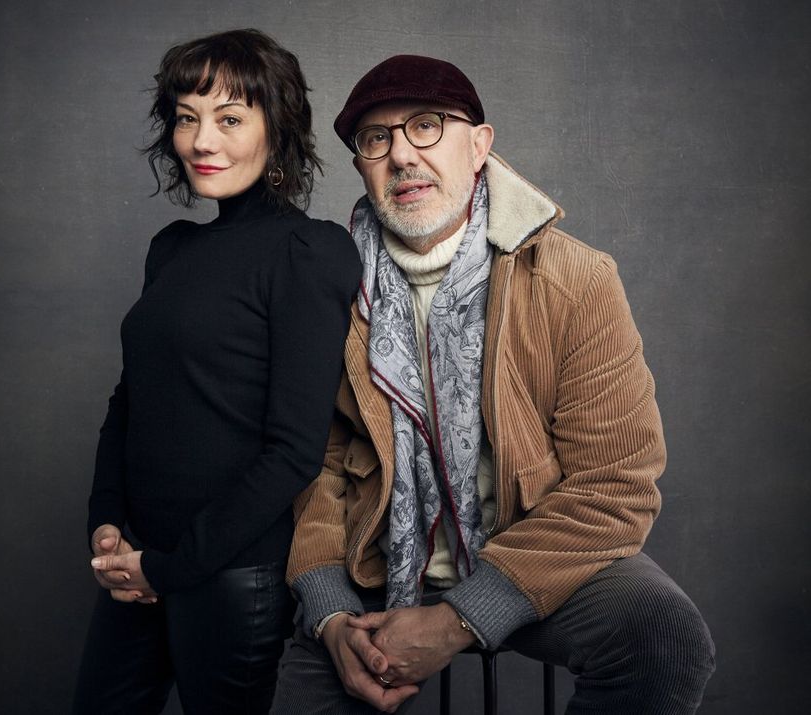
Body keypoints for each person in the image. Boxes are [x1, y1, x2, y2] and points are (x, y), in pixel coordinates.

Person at [270, 55, 715, 714]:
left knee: (662, 637)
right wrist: (331, 612)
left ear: (479, 144)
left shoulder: (576, 279)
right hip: (377, 571)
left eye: (426, 126)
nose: (400, 154)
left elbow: (613, 483)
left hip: (539, 561)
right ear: (362, 165)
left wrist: (457, 620)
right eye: (376, 138)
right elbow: (317, 468)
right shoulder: (328, 287)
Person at [72, 29, 360, 714]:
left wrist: (169, 568)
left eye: (230, 118)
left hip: (234, 576)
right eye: (186, 117)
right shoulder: (170, 249)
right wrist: (107, 520)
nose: (203, 141)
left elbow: (293, 450)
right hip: (137, 562)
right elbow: (130, 399)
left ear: (277, 126)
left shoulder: (308, 251)